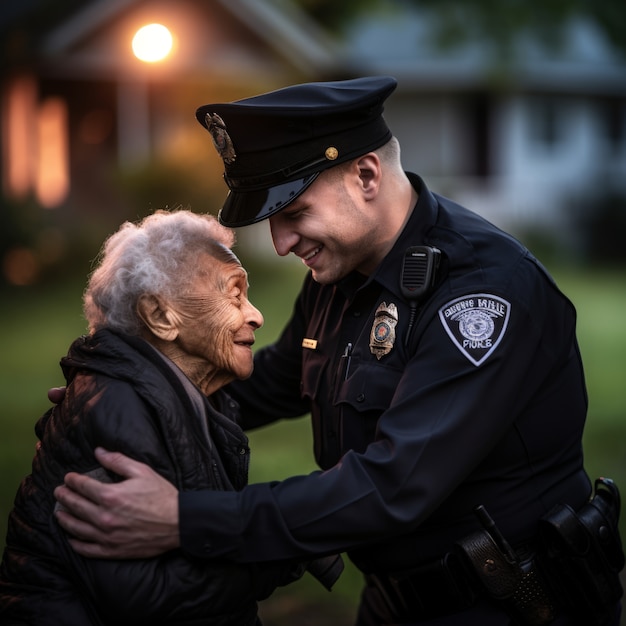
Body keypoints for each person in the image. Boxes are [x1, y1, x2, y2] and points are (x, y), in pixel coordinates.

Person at [51, 77, 624, 625]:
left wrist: (181, 520)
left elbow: (390, 487)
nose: (280, 244)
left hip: (508, 607)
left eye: (294, 214)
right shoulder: (341, 276)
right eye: (273, 222)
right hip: (391, 603)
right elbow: (271, 380)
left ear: (367, 175)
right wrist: (130, 395)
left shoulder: (482, 295)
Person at [0, 209, 318, 625]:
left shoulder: (182, 395)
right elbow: (153, 599)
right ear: (161, 316)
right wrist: (294, 544)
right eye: (234, 295)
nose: (255, 315)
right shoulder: (118, 411)